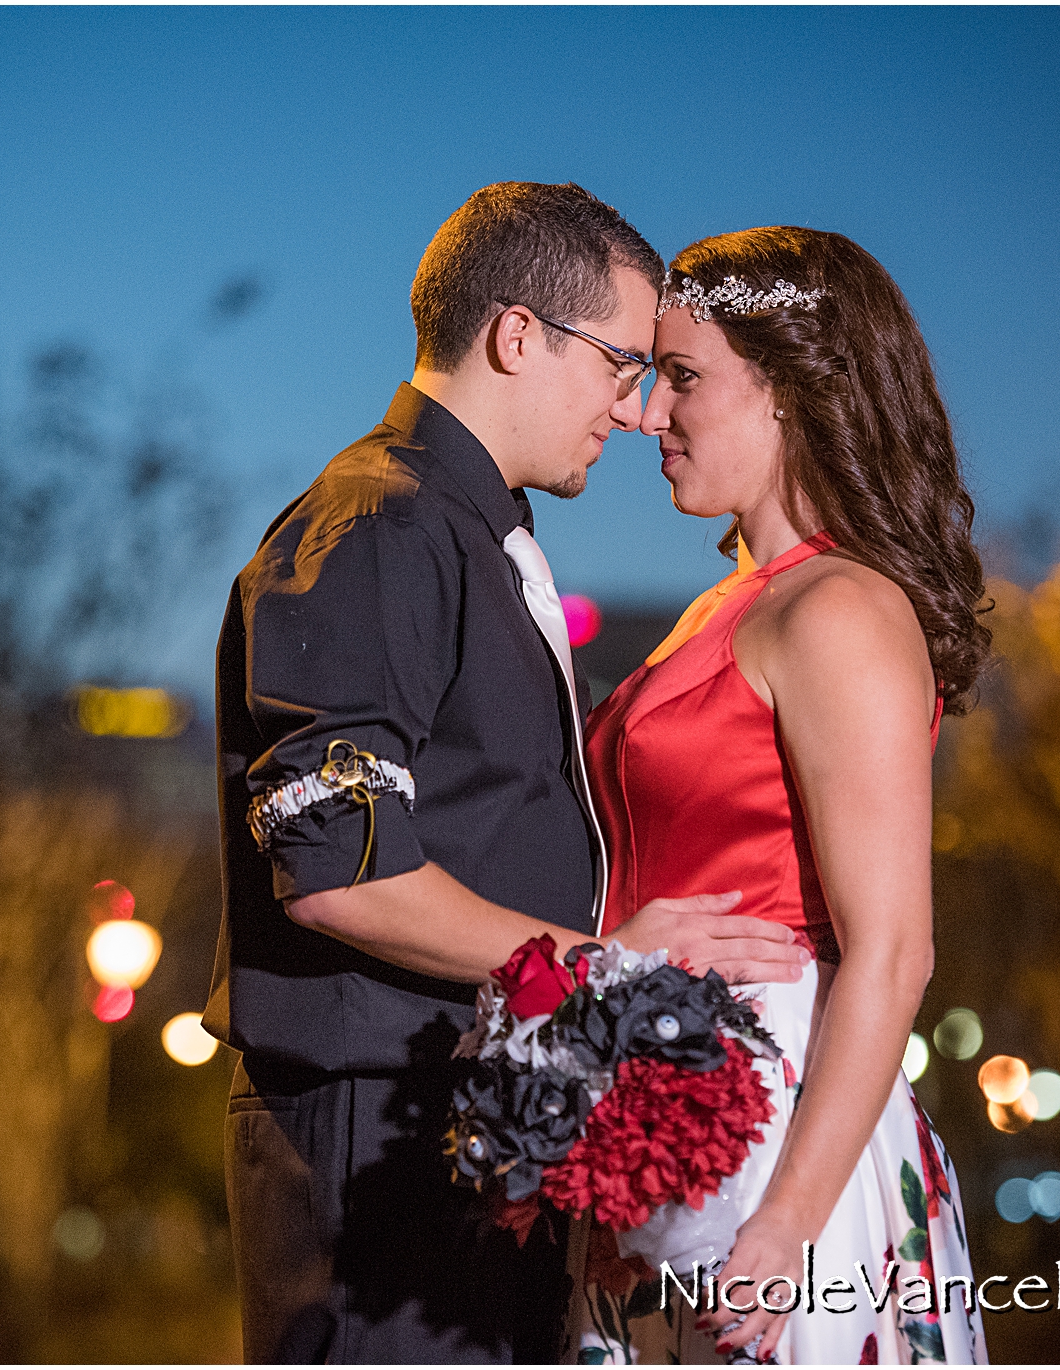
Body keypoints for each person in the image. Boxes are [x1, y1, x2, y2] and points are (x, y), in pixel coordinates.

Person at [204, 183, 810, 1364]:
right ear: (516, 334)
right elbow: (341, 874)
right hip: (379, 1136)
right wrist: (616, 966)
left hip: (468, 1121)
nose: (637, 412)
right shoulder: (377, 527)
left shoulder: (459, 531)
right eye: (622, 365)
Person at [577, 226, 991, 1364]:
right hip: (672, 1128)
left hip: (787, 1141)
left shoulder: (839, 611)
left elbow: (893, 947)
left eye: (685, 378)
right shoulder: (726, 605)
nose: (648, 415)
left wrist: (785, 1224)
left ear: (796, 392)